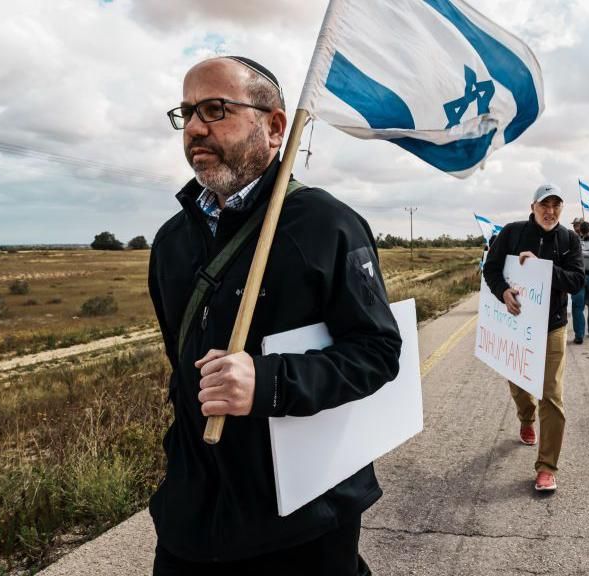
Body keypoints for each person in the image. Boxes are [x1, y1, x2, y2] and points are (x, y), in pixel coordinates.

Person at [149, 57, 402, 575]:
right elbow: (181, 371)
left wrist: (268, 383)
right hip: (192, 518)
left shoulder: (328, 226)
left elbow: (377, 351)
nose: (196, 126)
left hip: (302, 521)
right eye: (188, 112)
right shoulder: (171, 243)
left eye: (216, 109)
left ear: (275, 126)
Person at [483, 184, 585, 492]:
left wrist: (544, 269)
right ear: (533, 206)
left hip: (553, 326)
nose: (550, 211)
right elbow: (491, 269)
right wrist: (502, 291)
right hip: (516, 325)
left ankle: (546, 467)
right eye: (545, 204)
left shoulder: (569, 240)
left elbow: (577, 281)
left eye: (556, 205)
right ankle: (526, 419)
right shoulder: (512, 233)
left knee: (551, 394)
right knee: (517, 381)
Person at [571, 221, 589, 344]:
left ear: (579, 231)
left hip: (579, 277)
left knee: (578, 307)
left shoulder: (575, 243)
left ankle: (579, 335)